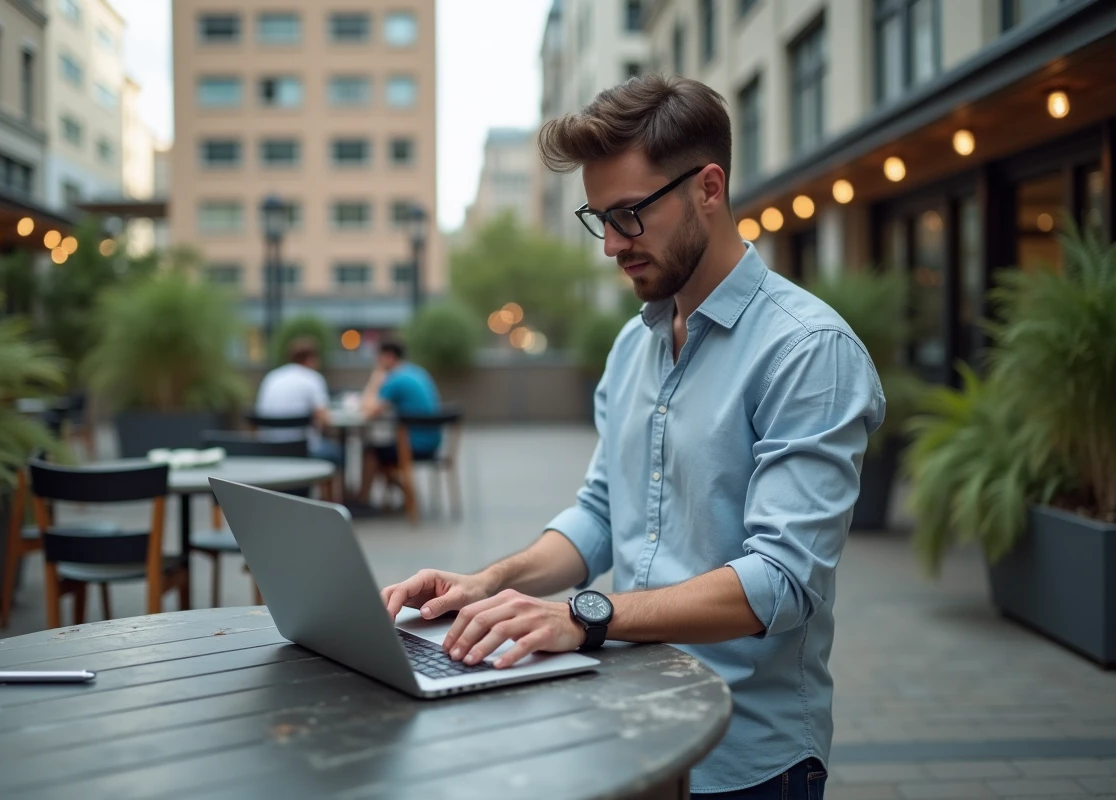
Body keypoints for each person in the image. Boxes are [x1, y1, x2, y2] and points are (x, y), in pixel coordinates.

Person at [379, 75, 885, 799]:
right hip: (626, 733)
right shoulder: (632, 345)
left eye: (630, 215)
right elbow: (601, 514)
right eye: (600, 218)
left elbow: (783, 580)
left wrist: (583, 617)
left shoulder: (808, 351)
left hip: (747, 762)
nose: (612, 244)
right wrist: (489, 582)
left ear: (708, 188)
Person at [357, 339, 441, 505]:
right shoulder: (417, 372)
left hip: (414, 444)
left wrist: (375, 378)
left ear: (388, 357)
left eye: (378, 358)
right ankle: (408, 495)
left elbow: (368, 411)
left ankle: (362, 500)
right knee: (381, 450)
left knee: (372, 452)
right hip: (433, 440)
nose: (377, 362)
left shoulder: (396, 379)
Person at [254, 337, 342, 464]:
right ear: (311, 359)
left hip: (269, 448)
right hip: (303, 450)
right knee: (335, 452)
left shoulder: (271, 377)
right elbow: (324, 420)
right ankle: (326, 482)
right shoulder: (313, 378)